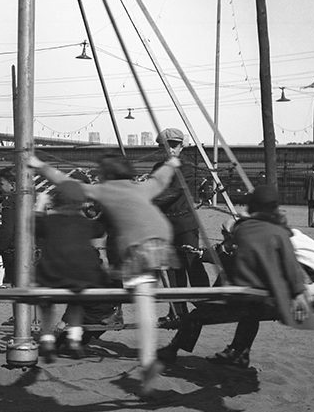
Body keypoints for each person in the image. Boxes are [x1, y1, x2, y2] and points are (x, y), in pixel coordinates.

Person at [30, 151, 179, 396]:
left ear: (106, 174)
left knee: (142, 303)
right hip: (161, 240)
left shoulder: (105, 190)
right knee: (146, 298)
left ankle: (149, 360)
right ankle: (149, 357)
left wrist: (38, 164)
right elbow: (160, 180)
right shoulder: (140, 188)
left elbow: (66, 184)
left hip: (136, 246)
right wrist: (171, 163)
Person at [159, 185, 314, 366]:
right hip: (265, 300)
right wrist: (298, 292)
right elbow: (291, 268)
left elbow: (226, 254)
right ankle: (240, 352)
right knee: (251, 314)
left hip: (239, 297)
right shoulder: (280, 233)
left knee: (198, 315)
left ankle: (172, 349)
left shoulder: (243, 230)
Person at [34, 179, 106, 360]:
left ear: (56, 201)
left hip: (52, 274)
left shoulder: (50, 221)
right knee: (76, 301)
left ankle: (47, 338)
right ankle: (74, 338)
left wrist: (39, 205)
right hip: (83, 277)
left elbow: (33, 226)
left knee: (46, 302)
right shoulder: (84, 223)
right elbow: (100, 230)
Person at [152, 128, 210, 318]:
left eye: (175, 145)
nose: (171, 150)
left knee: (192, 264)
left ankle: (206, 303)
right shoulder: (157, 168)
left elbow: (172, 192)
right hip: (165, 227)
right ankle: (177, 311)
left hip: (185, 224)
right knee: (173, 270)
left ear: (181, 146)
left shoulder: (187, 168)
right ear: (161, 148)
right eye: (167, 146)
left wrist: (147, 198)